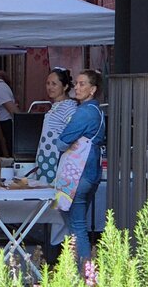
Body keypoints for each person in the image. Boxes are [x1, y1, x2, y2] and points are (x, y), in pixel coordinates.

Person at [56, 70, 105, 263]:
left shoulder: (83, 112)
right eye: (76, 83)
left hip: (78, 174)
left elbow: (62, 142)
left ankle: (84, 273)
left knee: (76, 225)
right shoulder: (97, 111)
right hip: (92, 172)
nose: (77, 87)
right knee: (77, 222)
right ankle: (76, 267)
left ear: (93, 89)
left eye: (82, 84)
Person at [34, 67, 78, 184]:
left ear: (65, 87)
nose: (50, 87)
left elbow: (74, 132)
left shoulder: (69, 107)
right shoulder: (56, 106)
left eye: (54, 84)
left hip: (56, 160)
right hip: (46, 158)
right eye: (48, 83)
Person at [0, 68, 20, 157]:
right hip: (0, 125)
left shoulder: (0, 88)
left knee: (2, 154)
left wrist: (20, 124)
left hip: (3, 126)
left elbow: (12, 109)